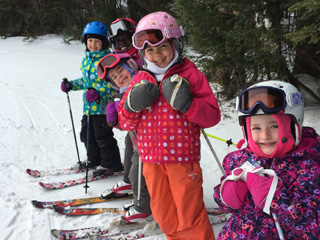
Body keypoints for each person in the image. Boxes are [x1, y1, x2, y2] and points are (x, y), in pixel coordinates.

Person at [118, 12, 221, 240]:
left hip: (183, 161)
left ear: (175, 44)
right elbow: (125, 122)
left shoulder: (190, 75)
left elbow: (212, 116)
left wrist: (188, 105)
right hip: (151, 161)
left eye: (162, 47)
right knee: (164, 215)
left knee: (190, 215)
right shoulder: (140, 79)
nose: (157, 55)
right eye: (150, 50)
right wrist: (132, 106)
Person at [213, 80, 320, 239]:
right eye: (256, 128)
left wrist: (277, 198)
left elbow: (313, 225)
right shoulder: (238, 160)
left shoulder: (309, 167)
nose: (265, 136)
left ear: (294, 125)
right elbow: (225, 204)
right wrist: (226, 196)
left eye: (274, 126)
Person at [60, 21, 122, 177]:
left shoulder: (108, 60)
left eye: (97, 41)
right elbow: (85, 81)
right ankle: (94, 159)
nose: (93, 44)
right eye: (90, 41)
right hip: (88, 107)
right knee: (86, 135)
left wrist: (98, 93)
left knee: (103, 137)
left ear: (104, 42)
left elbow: (114, 83)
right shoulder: (86, 60)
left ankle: (111, 164)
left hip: (102, 108)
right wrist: (71, 85)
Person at [97, 53, 152, 223]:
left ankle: (144, 208)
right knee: (135, 175)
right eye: (114, 77)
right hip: (138, 146)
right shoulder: (121, 94)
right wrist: (114, 121)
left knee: (141, 176)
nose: (119, 77)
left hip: (150, 146)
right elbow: (126, 125)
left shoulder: (143, 85)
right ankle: (141, 203)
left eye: (121, 71)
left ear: (131, 66)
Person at [107, 18, 141, 199]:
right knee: (130, 145)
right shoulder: (117, 60)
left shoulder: (143, 56)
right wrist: (114, 105)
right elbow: (116, 85)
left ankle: (141, 189)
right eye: (118, 41)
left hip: (147, 116)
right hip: (131, 115)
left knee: (139, 152)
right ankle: (129, 180)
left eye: (126, 40)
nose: (122, 44)